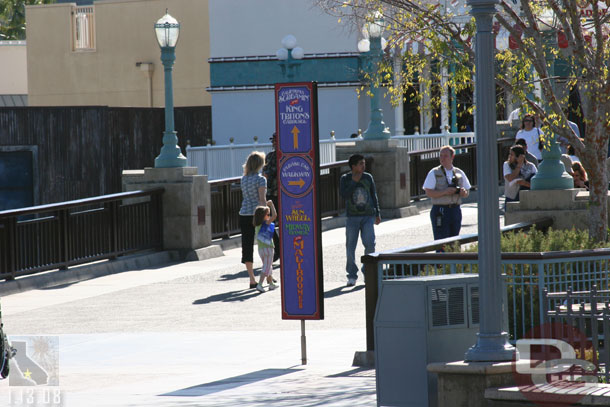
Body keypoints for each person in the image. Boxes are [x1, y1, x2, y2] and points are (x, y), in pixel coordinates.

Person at [339, 154, 381, 287]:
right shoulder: (345, 178)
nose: (364, 166)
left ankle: (367, 271)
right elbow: (344, 195)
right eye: (361, 164)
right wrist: (354, 182)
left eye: (364, 163)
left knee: (370, 244)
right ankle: (352, 275)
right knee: (350, 247)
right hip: (352, 217)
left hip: (368, 216)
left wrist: (377, 213)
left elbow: (374, 195)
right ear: (353, 166)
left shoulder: (368, 177)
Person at [423, 145, 471, 242]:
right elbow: (428, 192)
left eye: (445, 156)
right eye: (441, 155)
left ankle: (453, 257)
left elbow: (467, 191)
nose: (442, 158)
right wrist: (444, 192)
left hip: (455, 210)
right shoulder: (434, 172)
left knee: (455, 241)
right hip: (440, 210)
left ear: (452, 157)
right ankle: (442, 257)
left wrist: (463, 192)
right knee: (441, 241)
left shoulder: (459, 172)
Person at [239, 151, 268, 289]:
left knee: (247, 246)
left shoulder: (243, 179)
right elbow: (262, 199)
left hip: (244, 214)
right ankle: (269, 277)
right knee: (265, 245)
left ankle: (252, 279)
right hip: (257, 214)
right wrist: (266, 213)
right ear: (260, 164)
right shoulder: (261, 179)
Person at [253, 201, 278, 293]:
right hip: (268, 248)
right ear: (263, 216)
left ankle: (271, 283)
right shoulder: (266, 223)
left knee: (268, 265)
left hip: (261, 249)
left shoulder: (257, 225)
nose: (269, 215)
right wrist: (271, 205)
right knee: (266, 267)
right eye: (267, 214)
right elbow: (275, 215)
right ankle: (260, 284)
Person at [262, 133, 280, 262]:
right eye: (273, 140)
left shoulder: (285, 156)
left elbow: (272, 171)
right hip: (270, 194)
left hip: (282, 194)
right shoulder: (270, 156)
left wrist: (268, 173)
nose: (274, 142)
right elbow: (265, 171)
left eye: (276, 140)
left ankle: (282, 249)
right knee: (269, 222)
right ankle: (277, 249)